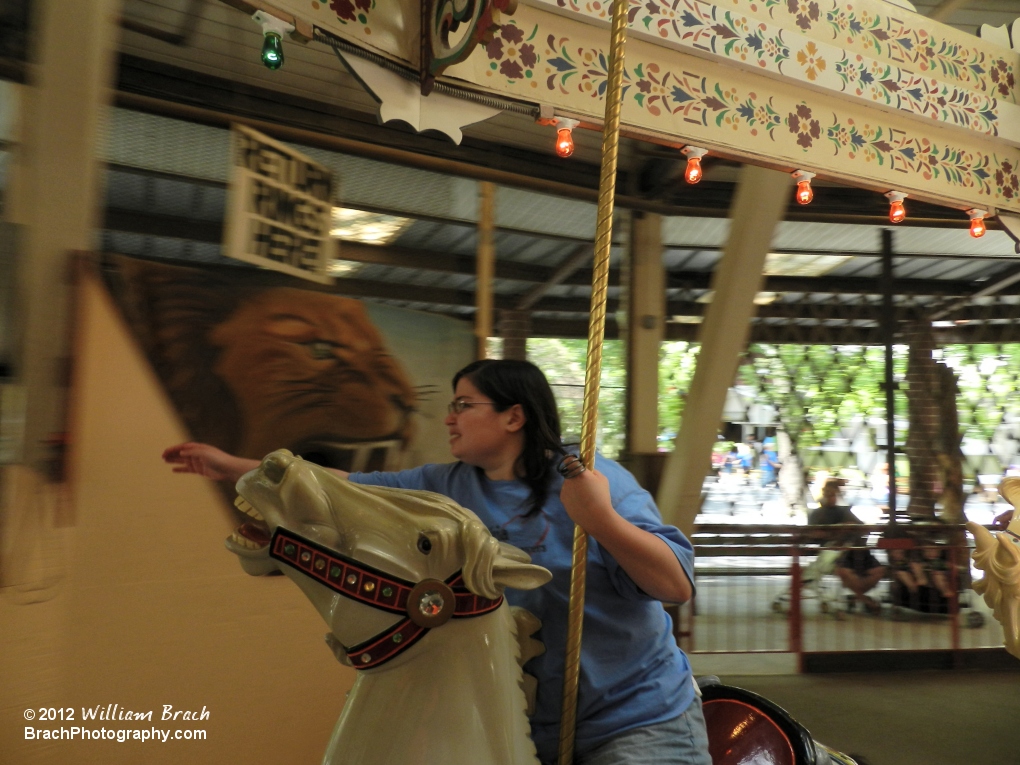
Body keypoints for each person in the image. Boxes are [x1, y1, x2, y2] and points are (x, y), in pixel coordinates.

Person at [163, 359, 710, 765]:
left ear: (513, 416)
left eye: (463, 405)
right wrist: (230, 465)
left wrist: (602, 520)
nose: (448, 418)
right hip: (524, 722)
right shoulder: (442, 488)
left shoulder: (593, 480)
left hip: (633, 718)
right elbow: (344, 488)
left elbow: (674, 585)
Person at [807, 478, 886, 614]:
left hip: (856, 550)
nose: (832, 498)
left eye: (834, 495)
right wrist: (837, 532)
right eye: (829, 495)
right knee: (846, 573)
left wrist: (852, 526)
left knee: (878, 571)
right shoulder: (817, 514)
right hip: (836, 553)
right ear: (823, 495)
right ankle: (864, 600)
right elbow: (814, 534)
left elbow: (862, 527)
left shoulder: (843, 511)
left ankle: (856, 597)